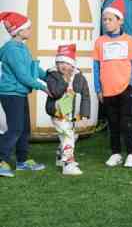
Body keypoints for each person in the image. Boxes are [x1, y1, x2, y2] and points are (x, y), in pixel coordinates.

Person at [94, 0, 132, 168]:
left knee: (127, 123)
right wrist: (98, 88)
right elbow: (96, 66)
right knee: (113, 124)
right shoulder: (99, 42)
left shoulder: (129, 41)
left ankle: (131, 154)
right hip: (107, 91)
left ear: (120, 21)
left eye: (110, 19)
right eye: (104, 19)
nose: (106, 23)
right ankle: (115, 153)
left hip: (125, 89)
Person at [0, 12, 49, 177]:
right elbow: (22, 75)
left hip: (19, 93)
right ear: (18, 31)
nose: (30, 30)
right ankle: (2, 160)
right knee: (15, 129)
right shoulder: (11, 50)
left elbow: (31, 68)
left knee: (24, 129)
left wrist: (50, 75)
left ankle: (22, 161)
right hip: (10, 94)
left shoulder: (22, 47)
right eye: (28, 28)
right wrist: (42, 87)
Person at [45, 44, 90, 176]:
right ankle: (68, 164)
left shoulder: (79, 77)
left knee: (71, 135)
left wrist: (84, 114)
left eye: (66, 62)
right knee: (68, 135)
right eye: (60, 62)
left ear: (72, 64)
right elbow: (55, 92)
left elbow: (85, 95)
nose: (63, 66)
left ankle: (60, 156)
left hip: (71, 113)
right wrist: (64, 81)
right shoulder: (53, 75)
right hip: (57, 112)